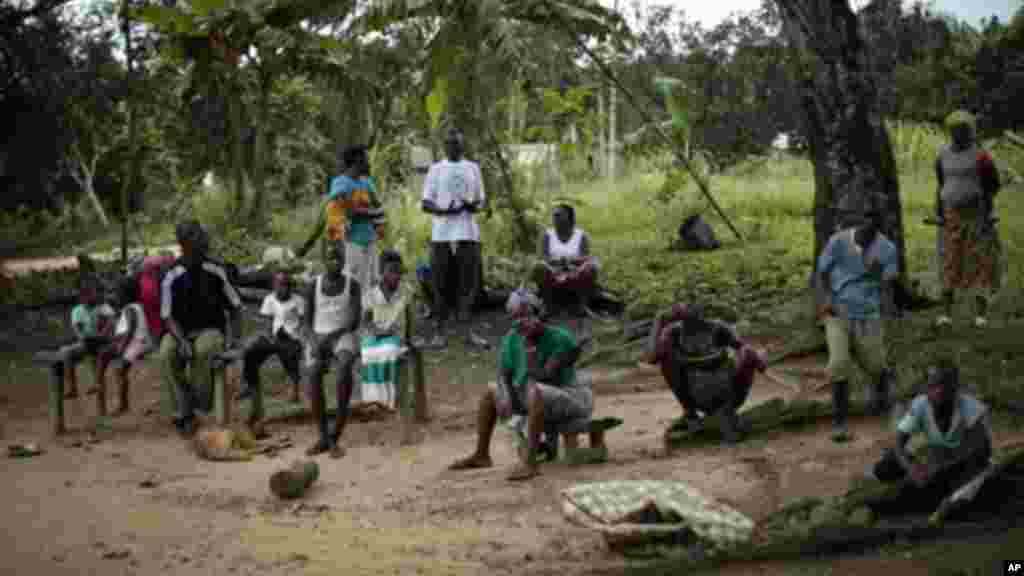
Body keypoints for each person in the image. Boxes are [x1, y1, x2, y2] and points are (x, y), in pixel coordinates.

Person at [448, 289, 605, 481]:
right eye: (516, 318)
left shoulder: (561, 338)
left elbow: (545, 376)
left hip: (569, 397)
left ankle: (531, 463)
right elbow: (503, 373)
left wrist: (530, 348)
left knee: (535, 390)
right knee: (491, 392)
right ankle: (482, 455)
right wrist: (505, 394)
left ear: (539, 314)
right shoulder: (512, 338)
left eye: (526, 316)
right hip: (534, 396)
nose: (522, 322)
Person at [817, 191, 899, 443]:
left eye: (877, 219)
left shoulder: (887, 249)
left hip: (868, 314)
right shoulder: (838, 242)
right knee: (839, 365)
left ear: (882, 223)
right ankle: (840, 423)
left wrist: (878, 280)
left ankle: (885, 395)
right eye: (867, 217)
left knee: (875, 365)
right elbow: (822, 273)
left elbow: (887, 285)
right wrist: (826, 300)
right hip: (838, 312)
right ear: (859, 218)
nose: (871, 223)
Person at [868, 359, 992, 514]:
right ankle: (916, 490)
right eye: (934, 385)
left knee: (926, 490)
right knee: (886, 465)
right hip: (933, 467)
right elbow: (899, 444)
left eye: (944, 385)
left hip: (961, 469)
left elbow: (983, 453)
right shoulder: (921, 404)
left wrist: (937, 471)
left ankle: (906, 498)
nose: (938, 391)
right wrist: (912, 468)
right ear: (927, 387)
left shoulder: (971, 409)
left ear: (955, 387)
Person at [159, 220, 243, 437]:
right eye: (198, 236)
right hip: (181, 331)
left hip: (210, 329)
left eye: (202, 235)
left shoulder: (215, 268)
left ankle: (199, 409)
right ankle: (183, 411)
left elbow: (235, 306)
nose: (205, 239)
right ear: (185, 243)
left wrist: (235, 341)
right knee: (166, 353)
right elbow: (167, 316)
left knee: (204, 350)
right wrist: (182, 340)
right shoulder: (171, 274)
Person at [642, 303, 767, 443]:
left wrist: (758, 359)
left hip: (728, 392)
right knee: (665, 360)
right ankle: (690, 412)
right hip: (696, 395)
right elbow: (652, 358)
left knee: (748, 351)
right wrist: (658, 323)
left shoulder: (719, 327)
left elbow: (743, 348)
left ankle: (725, 414)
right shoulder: (673, 332)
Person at [934, 110, 1002, 328]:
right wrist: (938, 211)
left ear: (971, 132)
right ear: (950, 132)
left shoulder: (981, 156)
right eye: (956, 131)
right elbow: (941, 183)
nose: (960, 134)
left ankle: (980, 316)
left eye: (965, 130)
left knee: (980, 261)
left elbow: (993, 185)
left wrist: (988, 210)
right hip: (950, 215)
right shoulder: (943, 155)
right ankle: (946, 315)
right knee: (950, 261)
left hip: (977, 216)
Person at [421, 126, 487, 350]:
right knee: (440, 283)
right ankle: (439, 332)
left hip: (468, 233)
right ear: (444, 146)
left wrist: (472, 206)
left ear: (463, 144)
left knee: (467, 284)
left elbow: (481, 201)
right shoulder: (436, 169)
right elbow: (425, 203)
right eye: (449, 144)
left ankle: (468, 332)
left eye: (457, 143)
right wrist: (442, 211)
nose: (453, 147)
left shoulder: (473, 168)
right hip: (441, 234)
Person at [303, 245, 361, 458]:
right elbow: (306, 323)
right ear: (323, 260)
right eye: (331, 258)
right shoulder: (313, 286)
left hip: (341, 335)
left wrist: (332, 336)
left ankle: (335, 435)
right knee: (313, 373)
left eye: (339, 258)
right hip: (317, 336)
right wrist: (313, 340)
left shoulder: (352, 285)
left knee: (345, 367)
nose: (335, 262)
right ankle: (323, 436)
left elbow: (354, 321)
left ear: (344, 260)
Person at [238, 272, 305, 426]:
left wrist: (298, 336)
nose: (282, 288)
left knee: (290, 353)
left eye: (285, 285)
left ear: (290, 287)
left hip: (292, 337)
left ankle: (295, 389)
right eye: (279, 285)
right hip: (274, 336)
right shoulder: (269, 299)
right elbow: (267, 321)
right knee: (251, 353)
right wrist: (268, 336)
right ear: (274, 286)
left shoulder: (298, 301)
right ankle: (249, 384)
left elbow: (303, 323)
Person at [359, 250, 416, 412]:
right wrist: (377, 332)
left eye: (399, 272)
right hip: (375, 335)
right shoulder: (371, 294)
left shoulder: (405, 291)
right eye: (392, 271)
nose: (396, 276)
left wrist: (409, 339)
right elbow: (366, 321)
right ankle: (372, 399)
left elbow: (410, 318)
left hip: (396, 337)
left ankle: (388, 400)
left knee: (389, 350)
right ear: (382, 272)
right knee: (368, 352)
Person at [531, 204, 599, 333]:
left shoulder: (581, 235)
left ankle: (582, 305)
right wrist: (557, 263)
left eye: (558, 215)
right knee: (538, 267)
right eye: (554, 215)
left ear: (569, 218)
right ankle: (547, 305)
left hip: (575, 271)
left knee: (592, 266)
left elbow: (586, 257)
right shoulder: (548, 235)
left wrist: (570, 262)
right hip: (553, 271)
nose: (554, 218)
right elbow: (543, 258)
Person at [96, 277, 155, 416]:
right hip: (135, 341)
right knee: (104, 353)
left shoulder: (130, 309)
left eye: (117, 294)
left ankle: (123, 404)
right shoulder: (133, 307)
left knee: (119, 369)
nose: (115, 297)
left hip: (137, 342)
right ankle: (98, 381)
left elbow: (131, 330)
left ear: (125, 295)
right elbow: (123, 330)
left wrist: (122, 347)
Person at [331, 145, 384, 300]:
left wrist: (371, 215)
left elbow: (378, 206)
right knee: (353, 280)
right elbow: (348, 212)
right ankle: (352, 315)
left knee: (373, 279)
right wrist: (371, 213)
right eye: (366, 158)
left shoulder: (367, 183)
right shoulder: (340, 183)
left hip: (370, 238)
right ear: (357, 160)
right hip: (352, 240)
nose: (369, 162)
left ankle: (367, 315)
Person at [65, 282, 116, 400]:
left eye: (90, 294)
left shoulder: (103, 307)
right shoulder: (77, 310)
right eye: (85, 295)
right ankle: (72, 387)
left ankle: (97, 383)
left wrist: (101, 335)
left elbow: (110, 325)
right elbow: (79, 331)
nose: (88, 297)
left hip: (103, 341)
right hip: (87, 341)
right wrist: (86, 337)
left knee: (96, 351)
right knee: (67, 352)